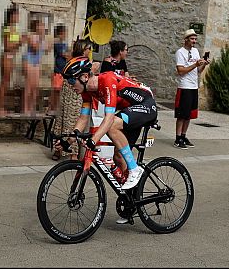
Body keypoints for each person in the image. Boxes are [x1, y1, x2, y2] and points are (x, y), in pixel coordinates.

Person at [61, 55, 157, 192]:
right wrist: (67, 141)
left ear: (84, 77)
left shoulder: (107, 80)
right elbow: (83, 118)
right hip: (129, 111)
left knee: (112, 126)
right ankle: (132, 197)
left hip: (146, 104)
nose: (71, 86)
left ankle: (134, 169)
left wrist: (94, 140)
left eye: (71, 80)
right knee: (118, 156)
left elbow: (109, 118)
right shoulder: (87, 92)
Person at [51, 38, 90, 161]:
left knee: (67, 120)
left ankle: (63, 151)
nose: (90, 51)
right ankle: (69, 153)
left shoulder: (76, 60)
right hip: (73, 92)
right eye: (88, 49)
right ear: (83, 49)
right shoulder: (80, 61)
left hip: (70, 91)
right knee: (68, 120)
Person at [174, 29, 209, 149]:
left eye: (195, 39)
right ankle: (178, 138)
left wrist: (203, 64)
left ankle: (184, 136)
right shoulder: (180, 52)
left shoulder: (195, 51)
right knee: (182, 114)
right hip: (185, 86)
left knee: (189, 114)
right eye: (192, 39)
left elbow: (198, 71)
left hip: (194, 86)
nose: (194, 41)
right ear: (186, 40)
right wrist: (195, 64)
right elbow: (180, 71)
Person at [0, 6, 23, 116]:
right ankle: (0, 108)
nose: (18, 17)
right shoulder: (8, 28)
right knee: (4, 83)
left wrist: (19, 43)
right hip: (7, 56)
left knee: (7, 83)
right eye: (16, 15)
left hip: (11, 57)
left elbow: (14, 47)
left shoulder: (14, 29)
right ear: (11, 16)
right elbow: (8, 46)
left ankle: (3, 107)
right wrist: (20, 42)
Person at [22, 18, 47, 116]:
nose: (42, 28)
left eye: (43, 26)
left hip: (36, 63)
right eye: (40, 26)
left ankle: (31, 108)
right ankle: (25, 108)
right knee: (28, 86)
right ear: (35, 27)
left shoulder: (41, 38)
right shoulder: (31, 36)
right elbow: (35, 48)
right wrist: (42, 40)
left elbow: (46, 49)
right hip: (29, 61)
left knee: (35, 87)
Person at [49, 24, 69, 118]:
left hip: (62, 71)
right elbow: (66, 55)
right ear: (61, 33)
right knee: (55, 91)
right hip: (57, 71)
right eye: (64, 33)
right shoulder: (57, 44)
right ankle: (51, 109)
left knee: (58, 91)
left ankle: (54, 108)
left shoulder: (63, 44)